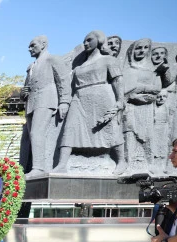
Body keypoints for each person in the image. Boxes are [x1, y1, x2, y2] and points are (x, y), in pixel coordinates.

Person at [54, 31, 126, 175]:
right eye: (84, 41)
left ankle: (122, 161)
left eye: (89, 40)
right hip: (79, 98)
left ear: (99, 41)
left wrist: (120, 100)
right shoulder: (78, 68)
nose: (85, 43)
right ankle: (62, 164)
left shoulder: (108, 60)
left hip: (102, 96)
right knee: (70, 128)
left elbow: (118, 80)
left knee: (111, 129)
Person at [20, 35, 70, 175]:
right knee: (32, 136)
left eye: (33, 45)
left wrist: (64, 101)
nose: (29, 48)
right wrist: (23, 93)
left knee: (37, 132)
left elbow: (63, 80)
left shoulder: (53, 59)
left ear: (43, 44)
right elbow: (25, 88)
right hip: (31, 103)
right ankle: (35, 167)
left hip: (46, 100)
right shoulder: (31, 66)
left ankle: (38, 168)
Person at [122, 38, 161, 174]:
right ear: (132, 51)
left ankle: (150, 164)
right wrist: (135, 94)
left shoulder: (152, 71)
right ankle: (129, 163)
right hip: (131, 107)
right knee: (130, 133)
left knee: (148, 135)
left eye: (145, 48)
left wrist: (141, 90)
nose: (142, 51)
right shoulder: (127, 70)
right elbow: (124, 90)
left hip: (147, 108)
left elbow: (157, 89)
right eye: (138, 48)